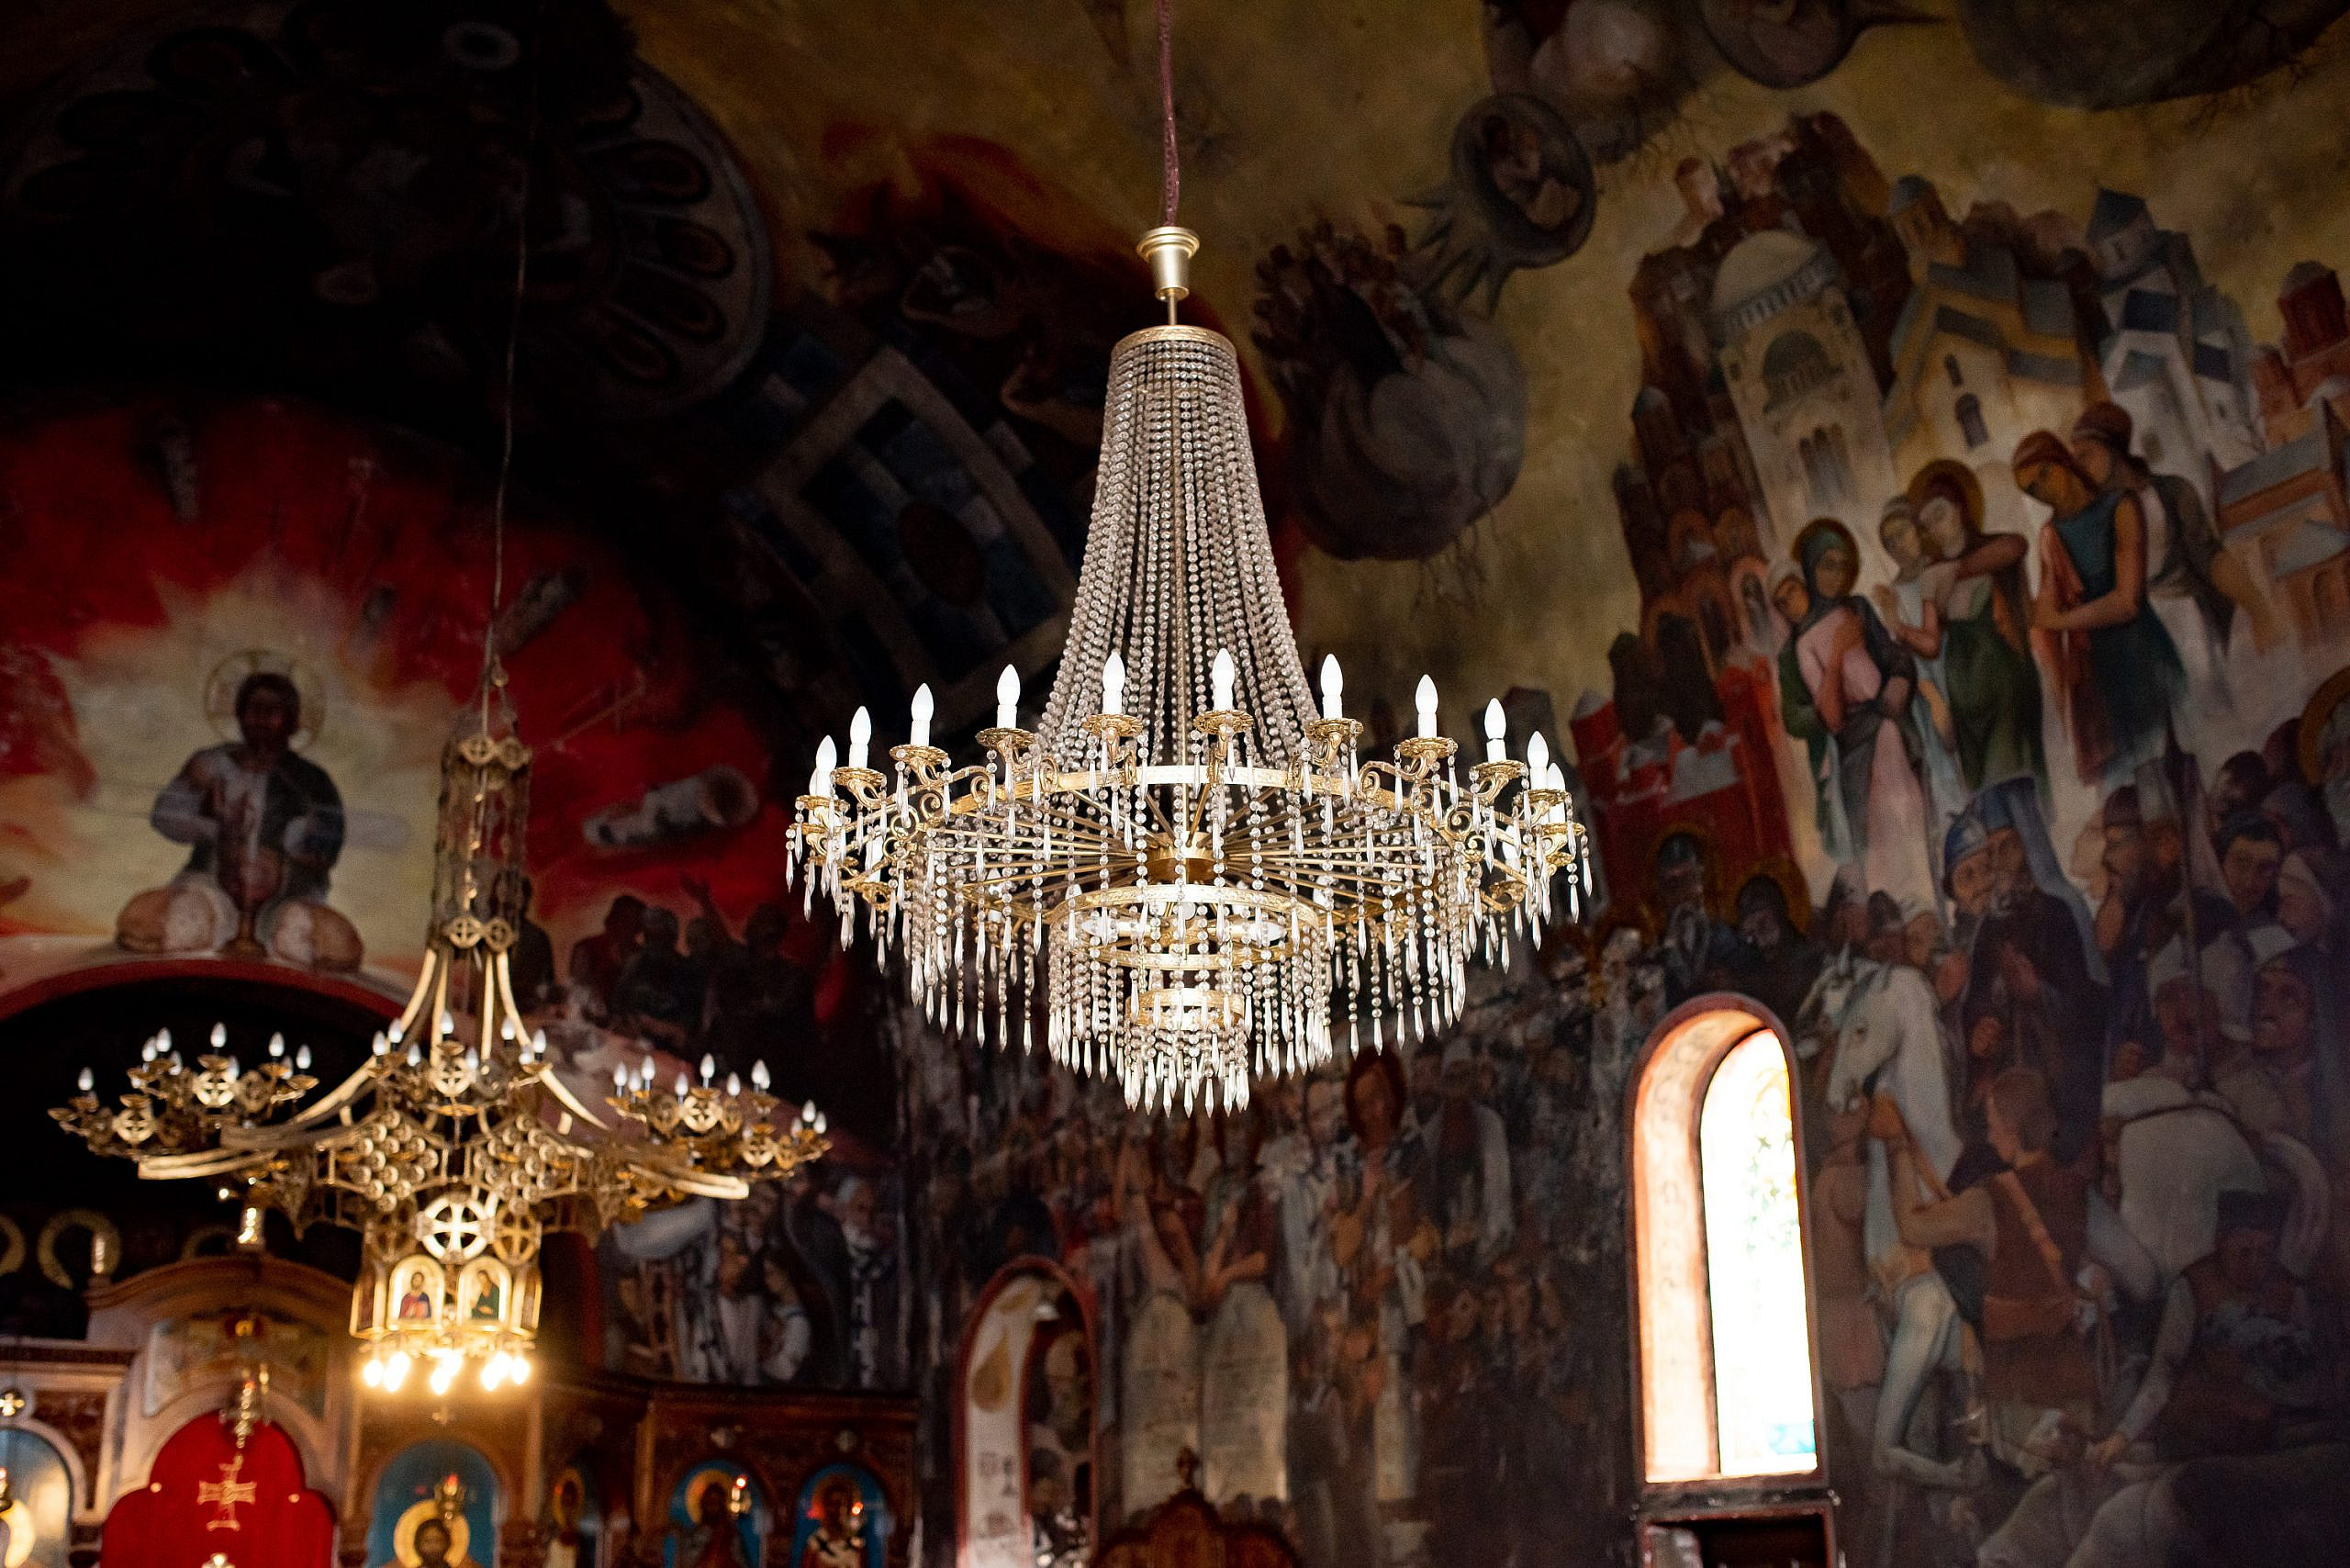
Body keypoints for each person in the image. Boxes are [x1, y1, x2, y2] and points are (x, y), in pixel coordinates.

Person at [116, 670, 361, 969]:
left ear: (292, 721)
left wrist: (285, 853)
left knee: (317, 942)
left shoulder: (311, 781)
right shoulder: (213, 764)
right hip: (211, 886)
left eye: (273, 711)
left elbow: (326, 846)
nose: (261, 719)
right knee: (163, 925)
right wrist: (209, 816)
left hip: (286, 898)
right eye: (254, 709)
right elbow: (165, 818)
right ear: (240, 715)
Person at [2070, 400, 2270, 711]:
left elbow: (2211, 557)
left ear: (2113, 449)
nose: (2079, 468)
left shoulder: (2172, 492)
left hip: (2188, 617)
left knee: (2215, 706)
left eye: (2086, 456)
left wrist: (2258, 607)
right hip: (2137, 635)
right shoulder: (2093, 520)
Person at [1778, 520, 1935, 907]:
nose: (1835, 575)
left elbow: (1893, 655)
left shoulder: (1859, 608)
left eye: (1842, 566)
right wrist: (1833, 708)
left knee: (1917, 824)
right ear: (1810, 569)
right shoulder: (1794, 649)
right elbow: (1796, 719)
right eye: (1826, 565)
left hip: (1890, 722)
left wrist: (1900, 679)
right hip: (1850, 749)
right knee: (1879, 845)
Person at [2020, 429, 2185, 786]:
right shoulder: (2052, 535)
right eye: (2032, 489)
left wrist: (2061, 619)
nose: (2043, 490)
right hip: (2099, 676)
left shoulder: (2121, 506)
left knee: (2170, 772)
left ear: (2062, 462)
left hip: (2142, 657)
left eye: (2044, 474)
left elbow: (2127, 603)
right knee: (2127, 788)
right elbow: (2045, 612)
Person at [1907, 460, 2045, 797]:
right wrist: (1898, 626)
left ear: (1960, 508)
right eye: (1927, 525)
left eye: (1939, 514)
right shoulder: (1932, 576)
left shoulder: (1996, 547)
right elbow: (1931, 643)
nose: (1935, 529)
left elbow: (2016, 547)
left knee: (2017, 782)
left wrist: (1954, 572)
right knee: (1988, 798)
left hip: (2006, 686)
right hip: (1964, 696)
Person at [1872, 495, 1966, 823]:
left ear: (1918, 530)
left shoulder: (1942, 568)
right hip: (1929, 690)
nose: (1898, 544)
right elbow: (1905, 657)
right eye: (1889, 540)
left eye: (1903, 532)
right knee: (1947, 771)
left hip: (1961, 674)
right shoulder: (1892, 596)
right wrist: (1934, 699)